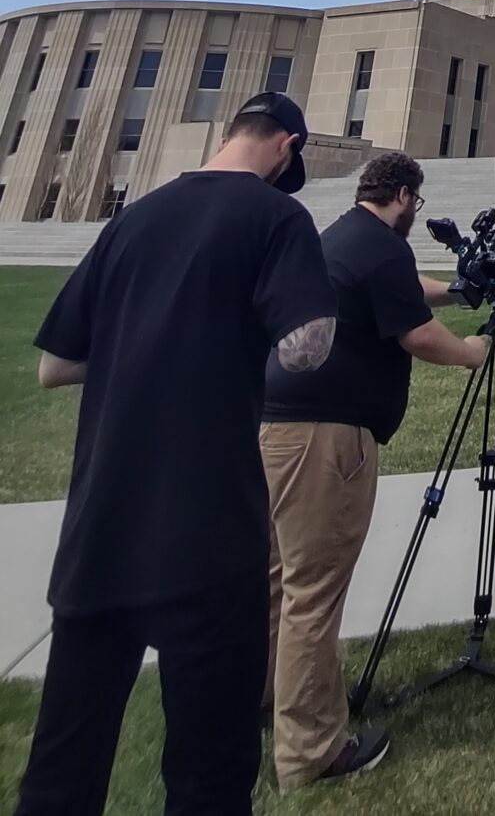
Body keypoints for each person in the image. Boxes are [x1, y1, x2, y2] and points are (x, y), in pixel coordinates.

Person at [14, 91, 337, 816]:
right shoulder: (277, 215)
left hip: (101, 528)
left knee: (61, 771)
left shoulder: (134, 218)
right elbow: (307, 346)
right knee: (209, 773)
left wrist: (147, 349)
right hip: (207, 534)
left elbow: (56, 365)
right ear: (286, 145)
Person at [259, 150, 488, 787]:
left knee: (278, 580)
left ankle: (266, 699)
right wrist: (472, 351)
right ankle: (311, 750)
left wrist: (459, 290)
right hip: (327, 437)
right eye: (416, 201)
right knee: (314, 590)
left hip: (276, 425)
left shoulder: (343, 236)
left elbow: (400, 290)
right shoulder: (384, 245)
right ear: (407, 196)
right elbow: (417, 333)